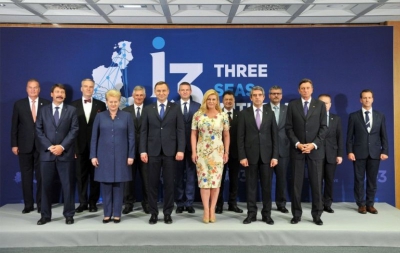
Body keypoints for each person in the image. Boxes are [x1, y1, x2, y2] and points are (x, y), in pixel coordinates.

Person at [140, 81, 185, 225]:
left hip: (170, 152)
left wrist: (180, 149)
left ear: (168, 91)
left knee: (169, 185)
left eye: (164, 90)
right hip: (152, 152)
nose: (161, 93)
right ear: (155, 92)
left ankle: (167, 213)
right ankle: (153, 213)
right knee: (151, 184)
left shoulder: (175, 108)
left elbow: (180, 130)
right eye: (158, 91)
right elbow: (143, 132)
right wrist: (142, 150)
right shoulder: (148, 109)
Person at [285, 78, 327, 226]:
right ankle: (296, 214)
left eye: (308, 88)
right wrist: (298, 144)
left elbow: (323, 128)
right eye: (302, 88)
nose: (305, 90)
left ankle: (317, 215)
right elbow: (288, 128)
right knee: (296, 185)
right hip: (297, 150)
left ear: (312, 89)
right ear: (298, 90)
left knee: (316, 184)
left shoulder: (320, 105)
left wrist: (313, 144)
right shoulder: (292, 105)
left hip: (315, 151)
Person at [35, 84, 79, 225]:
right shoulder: (43, 110)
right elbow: (38, 130)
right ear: (51, 94)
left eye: (62, 92)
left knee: (67, 186)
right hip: (47, 155)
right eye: (57, 92)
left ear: (65, 95)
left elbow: (74, 130)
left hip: (65, 154)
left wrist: (61, 147)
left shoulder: (71, 110)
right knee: (45, 186)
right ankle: (45, 215)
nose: (60, 94)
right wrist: (50, 147)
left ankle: (69, 214)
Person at [90, 89, 135, 223]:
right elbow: (94, 138)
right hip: (103, 156)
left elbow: (131, 137)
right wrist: (93, 156)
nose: (113, 104)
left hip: (122, 156)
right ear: (107, 102)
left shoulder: (127, 116)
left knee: (119, 186)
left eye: (116, 101)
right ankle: (107, 213)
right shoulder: (100, 116)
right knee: (106, 185)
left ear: (119, 101)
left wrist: (131, 155)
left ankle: (117, 214)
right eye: (111, 101)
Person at [238, 86, 278, 225]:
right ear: (250, 98)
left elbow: (275, 136)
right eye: (254, 95)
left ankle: (267, 215)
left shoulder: (270, 112)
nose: (257, 97)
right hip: (250, 157)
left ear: (264, 97)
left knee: (267, 187)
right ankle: (251, 214)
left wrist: (275, 156)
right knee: (251, 187)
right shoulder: (244, 114)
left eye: (259, 95)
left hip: (267, 157)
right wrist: (242, 156)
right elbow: (240, 137)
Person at [11, 79, 50, 214]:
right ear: (26, 89)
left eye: (35, 88)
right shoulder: (19, 104)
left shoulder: (46, 103)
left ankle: (40, 204)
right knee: (26, 176)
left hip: (42, 146)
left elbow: (50, 127)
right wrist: (14, 144)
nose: (33, 90)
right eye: (30, 88)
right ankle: (28, 205)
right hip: (24, 146)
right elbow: (14, 126)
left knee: (41, 176)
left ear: (39, 89)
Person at [346, 89, 388, 215]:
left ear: (372, 99)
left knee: (372, 180)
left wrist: (385, 150)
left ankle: (370, 204)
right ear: (360, 100)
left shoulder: (380, 115)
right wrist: (350, 151)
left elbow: (384, 135)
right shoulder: (354, 116)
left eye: (369, 97)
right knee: (359, 179)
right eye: (364, 98)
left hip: (375, 152)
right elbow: (349, 137)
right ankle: (361, 204)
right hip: (358, 152)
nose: (367, 100)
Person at [191, 89, 230, 224]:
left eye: (214, 99)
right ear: (205, 100)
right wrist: (194, 152)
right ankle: (206, 210)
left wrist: (226, 152)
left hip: (218, 153)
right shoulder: (198, 115)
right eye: (209, 99)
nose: (211, 102)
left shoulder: (223, 115)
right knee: (204, 183)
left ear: (217, 101)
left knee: (215, 183)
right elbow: (193, 134)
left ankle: (212, 210)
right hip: (202, 153)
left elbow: (226, 135)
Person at [71, 78, 106, 213]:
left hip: (96, 147)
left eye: (91, 87)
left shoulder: (101, 105)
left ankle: (93, 202)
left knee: (95, 176)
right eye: (85, 86)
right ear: (81, 88)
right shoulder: (72, 106)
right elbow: (70, 128)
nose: (88, 89)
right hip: (79, 147)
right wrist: (73, 147)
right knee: (81, 176)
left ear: (93, 89)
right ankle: (82, 202)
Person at [122, 86, 149, 214]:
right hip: (129, 151)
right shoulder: (125, 111)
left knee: (146, 179)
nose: (138, 97)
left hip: (146, 151)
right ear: (133, 96)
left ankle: (147, 203)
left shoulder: (150, 110)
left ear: (144, 96)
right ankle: (128, 203)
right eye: (136, 95)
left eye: (141, 95)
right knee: (128, 179)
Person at [175, 82, 200, 214]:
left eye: (187, 90)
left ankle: (189, 202)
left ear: (190, 92)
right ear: (179, 92)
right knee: (178, 176)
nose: (184, 92)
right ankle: (179, 202)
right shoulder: (173, 106)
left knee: (191, 176)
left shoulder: (198, 107)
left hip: (193, 147)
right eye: (182, 90)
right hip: (177, 147)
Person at [216, 90, 243, 214]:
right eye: (226, 99)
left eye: (230, 99)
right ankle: (219, 205)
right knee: (219, 181)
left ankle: (233, 204)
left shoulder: (240, 115)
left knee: (234, 180)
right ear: (222, 101)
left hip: (235, 153)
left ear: (234, 101)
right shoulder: (217, 115)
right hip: (219, 154)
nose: (228, 101)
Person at [264, 85, 290, 214]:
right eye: (273, 93)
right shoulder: (263, 109)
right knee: (266, 181)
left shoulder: (287, 109)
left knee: (282, 179)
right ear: (269, 95)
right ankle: (266, 205)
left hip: (283, 150)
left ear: (281, 95)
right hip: (266, 151)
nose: (275, 95)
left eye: (278, 93)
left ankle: (281, 204)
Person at [318, 94, 343, 213]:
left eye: (326, 103)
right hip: (316, 154)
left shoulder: (336, 118)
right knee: (317, 181)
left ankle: (327, 204)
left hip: (331, 154)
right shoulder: (313, 118)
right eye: (322, 103)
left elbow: (340, 137)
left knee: (329, 180)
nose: (324, 105)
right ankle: (318, 203)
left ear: (330, 105)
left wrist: (339, 154)